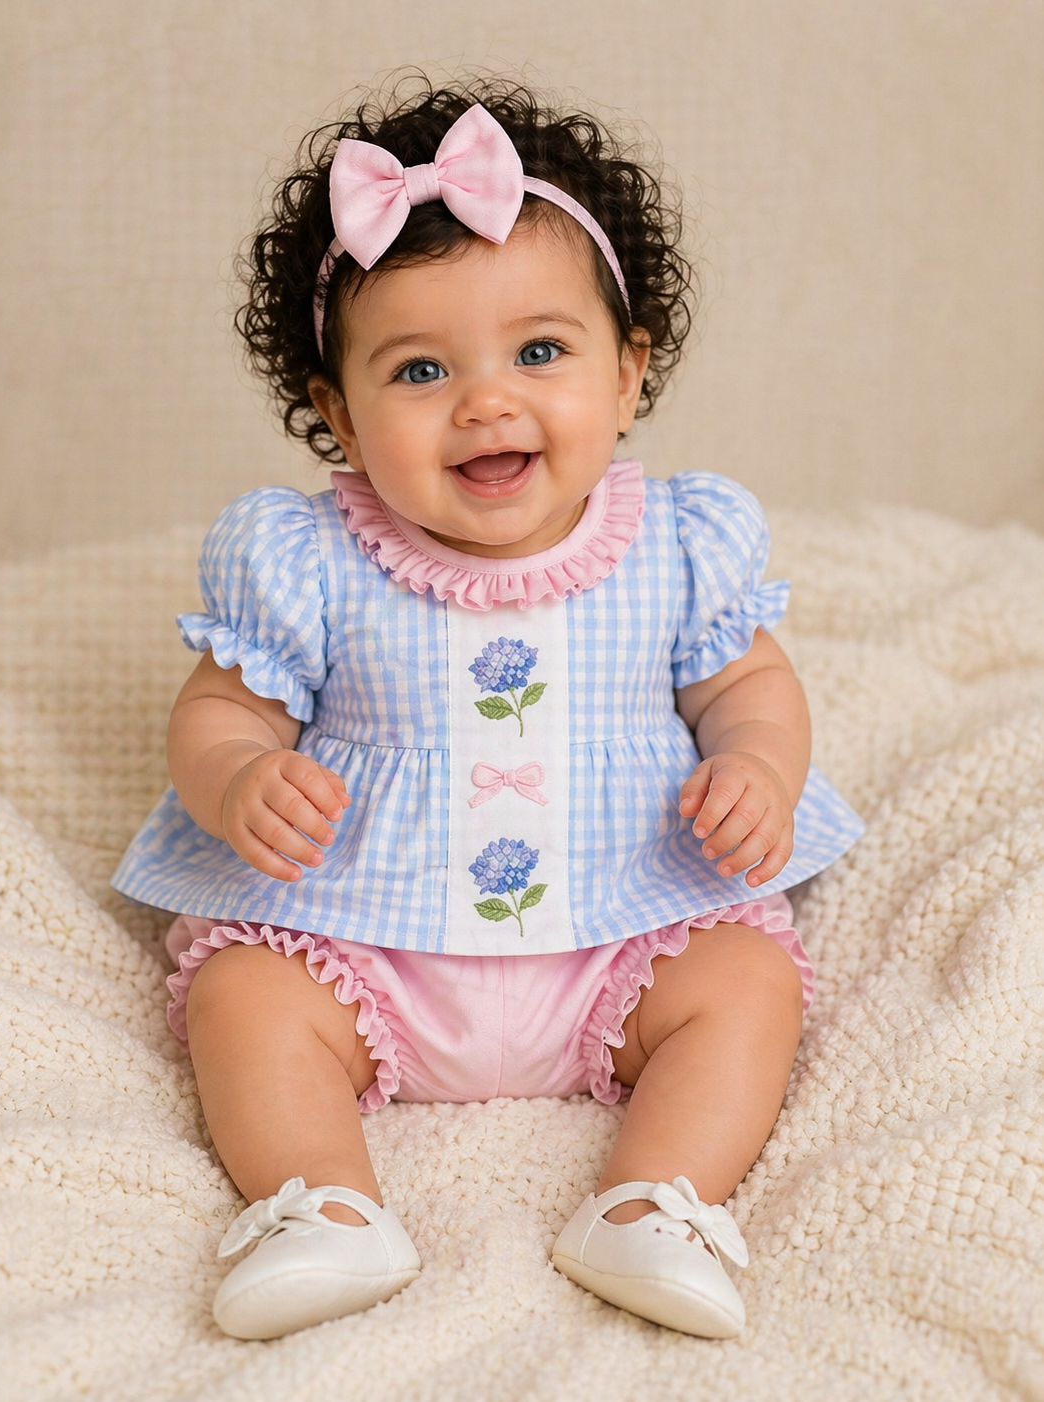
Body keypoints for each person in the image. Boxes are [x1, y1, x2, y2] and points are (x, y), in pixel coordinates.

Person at [113, 76, 864, 1343]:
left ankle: (655, 1198)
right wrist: (239, 776)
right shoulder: (304, 559)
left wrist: (760, 767)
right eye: (419, 368)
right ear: (339, 415)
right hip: (362, 938)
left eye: (541, 350)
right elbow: (218, 711)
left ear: (629, 376)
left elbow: (748, 681)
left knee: (746, 981)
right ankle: (320, 1206)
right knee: (242, 993)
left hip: (624, 925)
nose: (486, 399)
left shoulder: (679, 543)